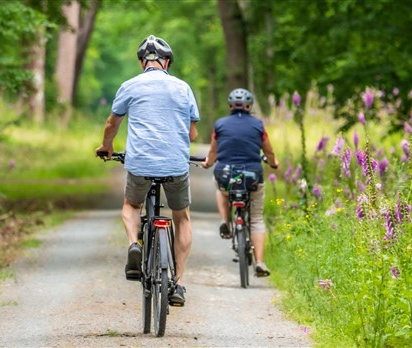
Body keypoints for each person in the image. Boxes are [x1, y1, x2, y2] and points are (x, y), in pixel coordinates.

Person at [95, 35, 200, 306]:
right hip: (176, 164)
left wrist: (107, 147)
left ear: (143, 62)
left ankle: (134, 244)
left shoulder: (129, 86)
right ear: (166, 62)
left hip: (140, 163)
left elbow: (111, 124)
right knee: (183, 218)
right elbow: (193, 132)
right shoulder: (182, 87)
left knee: (131, 205)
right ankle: (178, 283)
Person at [201, 88, 278, 277]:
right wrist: (274, 163)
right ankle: (260, 262)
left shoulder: (220, 125)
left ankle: (225, 220)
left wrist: (208, 163)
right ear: (249, 106)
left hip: (226, 175)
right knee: (257, 219)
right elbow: (268, 152)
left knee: (220, 188)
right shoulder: (258, 125)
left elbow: (213, 152)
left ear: (230, 105)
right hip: (252, 176)